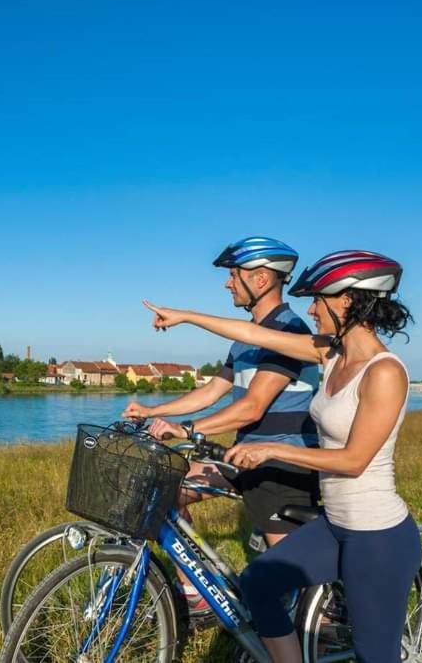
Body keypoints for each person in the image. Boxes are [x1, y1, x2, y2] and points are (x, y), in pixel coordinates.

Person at [143, 250, 419, 663]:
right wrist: (185, 315)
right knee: (259, 583)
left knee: (373, 653)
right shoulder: (331, 354)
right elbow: (254, 334)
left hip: (375, 535)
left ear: (346, 300)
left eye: (318, 300)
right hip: (336, 526)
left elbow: (354, 460)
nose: (310, 309)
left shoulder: (384, 371)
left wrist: (272, 447)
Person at [122, 236, 320, 614]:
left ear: (260, 279)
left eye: (233, 275)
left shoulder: (289, 332)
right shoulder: (245, 341)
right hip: (243, 458)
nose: (228, 283)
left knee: (303, 583)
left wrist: (189, 430)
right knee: (169, 490)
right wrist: (151, 411)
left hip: (281, 465)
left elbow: (252, 408)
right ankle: (196, 592)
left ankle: (327, 631)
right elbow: (213, 390)